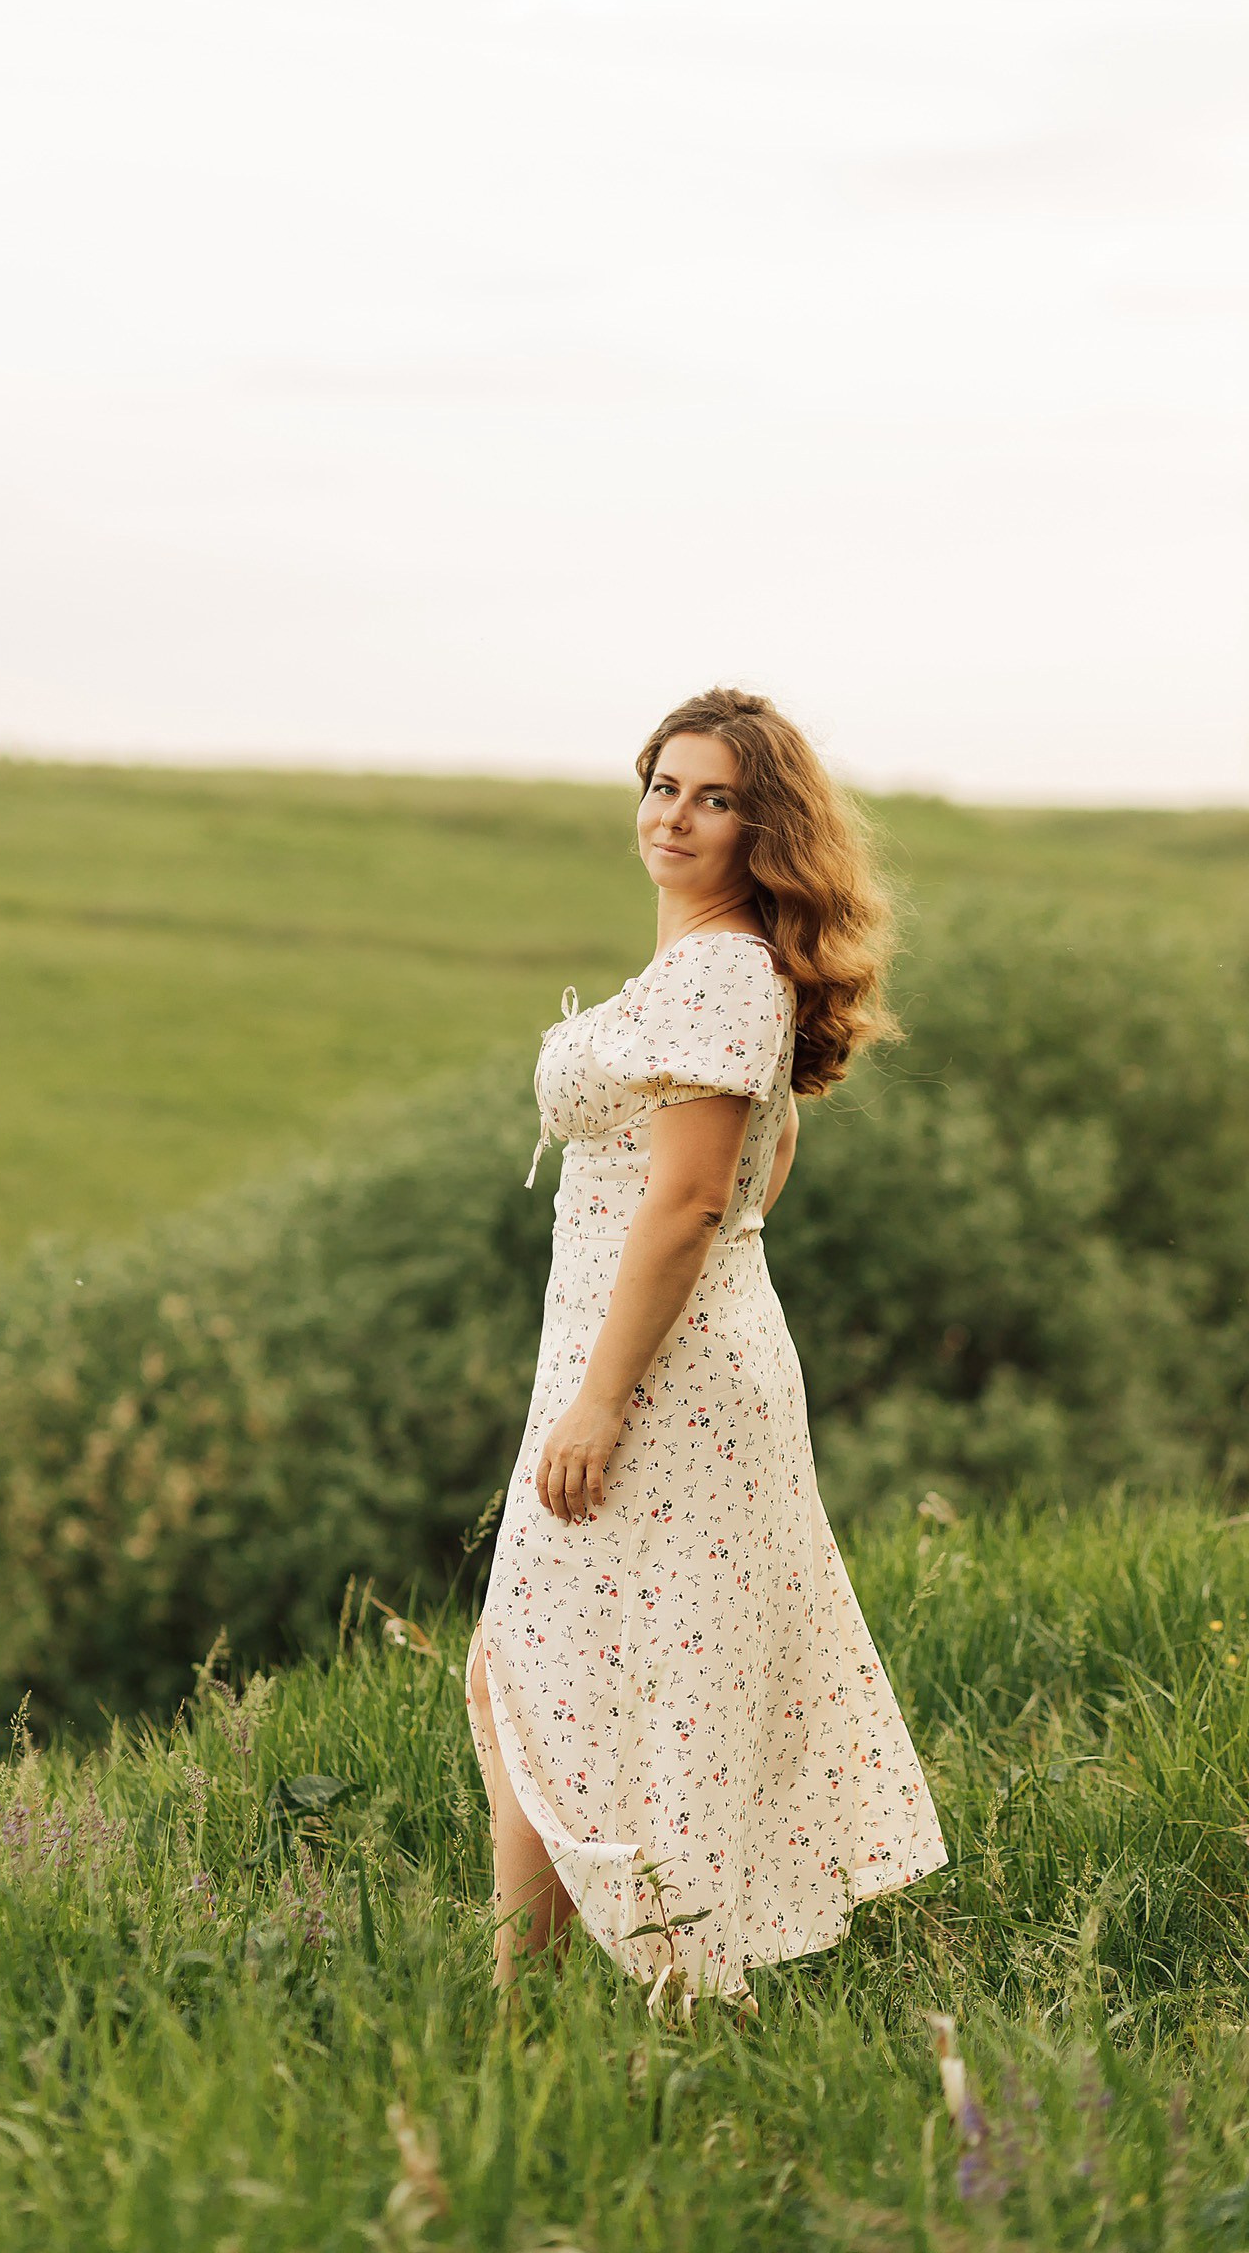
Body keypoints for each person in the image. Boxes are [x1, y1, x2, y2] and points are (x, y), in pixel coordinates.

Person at [465, 686, 948, 2007]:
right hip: (659, 1356)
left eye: (715, 798)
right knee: (560, 1670)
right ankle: (541, 2007)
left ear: (763, 829)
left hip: (659, 1380)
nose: (674, 816)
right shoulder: (716, 972)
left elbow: (689, 1203)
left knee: (603, 1677)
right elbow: (758, 1172)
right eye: (663, 786)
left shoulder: (725, 972)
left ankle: (656, 1996)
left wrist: (602, 1400)